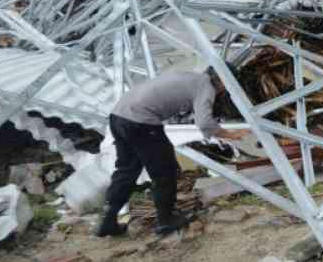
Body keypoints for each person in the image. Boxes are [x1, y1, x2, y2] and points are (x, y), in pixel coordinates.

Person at [95, 68, 249, 238]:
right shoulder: (206, 87)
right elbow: (204, 123)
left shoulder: (190, 76)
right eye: (230, 85)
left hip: (118, 116)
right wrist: (231, 135)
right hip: (141, 121)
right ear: (223, 80)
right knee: (164, 171)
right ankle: (165, 220)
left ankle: (108, 219)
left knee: (127, 168)